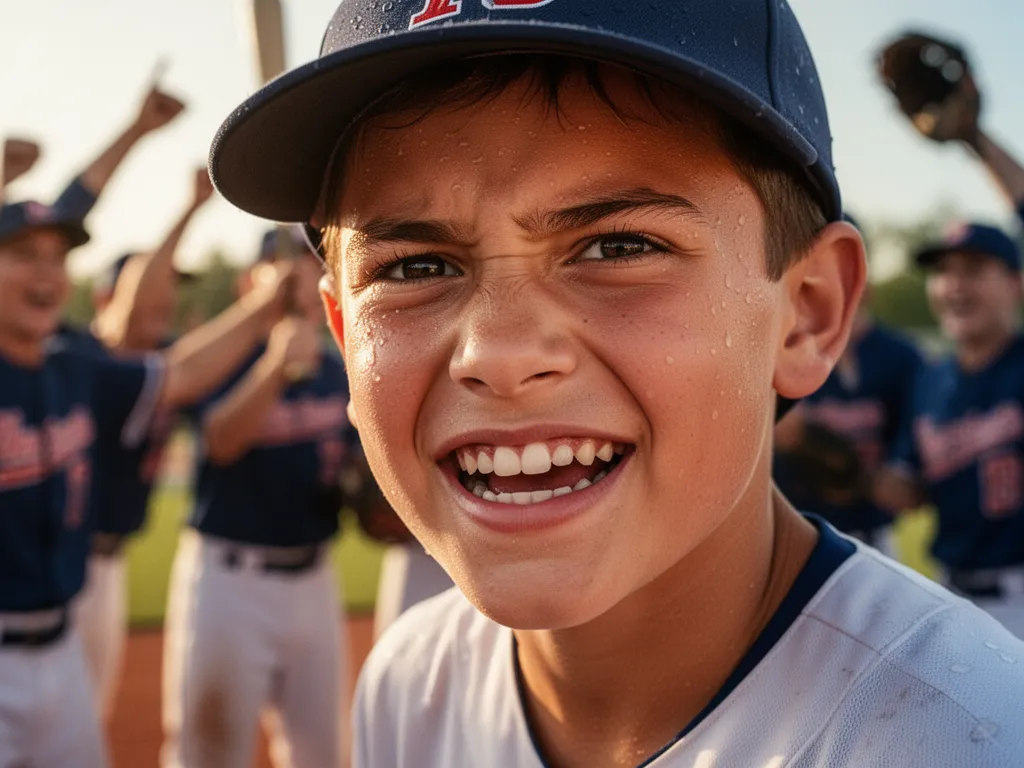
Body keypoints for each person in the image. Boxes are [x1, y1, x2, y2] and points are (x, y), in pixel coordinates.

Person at [209, 2, 1024, 766]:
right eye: (415, 267)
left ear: (807, 314)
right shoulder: (410, 686)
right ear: (344, 336)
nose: (497, 352)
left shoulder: (966, 733)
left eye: (619, 247)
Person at [0, 197, 290, 768]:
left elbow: (179, 373)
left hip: (62, 646)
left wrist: (268, 305)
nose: (46, 274)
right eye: (23, 255)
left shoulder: (74, 367)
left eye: (57, 259)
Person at [160, 228, 356, 768]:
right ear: (251, 283)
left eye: (312, 265)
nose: (298, 277)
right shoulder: (223, 363)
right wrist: (275, 366)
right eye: (283, 266)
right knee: (209, 755)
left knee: (324, 753)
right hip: (230, 584)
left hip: (314, 578)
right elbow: (220, 441)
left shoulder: (337, 373)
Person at [71, 167, 215, 719]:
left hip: (109, 566)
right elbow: (130, 320)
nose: (166, 300)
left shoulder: (166, 357)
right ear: (106, 296)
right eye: (155, 286)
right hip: (65, 564)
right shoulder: (92, 356)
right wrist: (190, 210)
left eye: (172, 289)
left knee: (86, 727)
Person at [773, 215, 923, 554]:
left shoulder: (902, 357)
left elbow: (905, 485)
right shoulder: (777, 352)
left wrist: (815, 442)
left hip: (874, 540)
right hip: (794, 540)